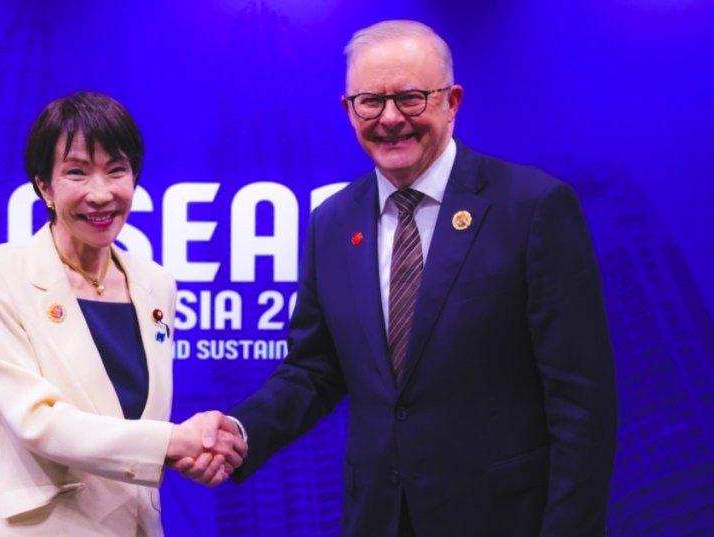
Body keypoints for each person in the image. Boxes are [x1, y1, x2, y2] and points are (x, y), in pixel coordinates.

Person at [179, 20, 617, 536]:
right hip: (377, 519)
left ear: (452, 101)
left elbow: (582, 401)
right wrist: (240, 430)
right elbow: (315, 369)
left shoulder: (532, 206)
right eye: (370, 102)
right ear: (348, 110)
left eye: (410, 98)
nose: (390, 119)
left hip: (502, 519)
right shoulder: (333, 221)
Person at [0, 91, 244, 536]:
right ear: (44, 187)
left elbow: (136, 425)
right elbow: (37, 421)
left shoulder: (156, 284)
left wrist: (197, 449)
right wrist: (173, 442)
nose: (100, 193)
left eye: (117, 170)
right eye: (76, 172)